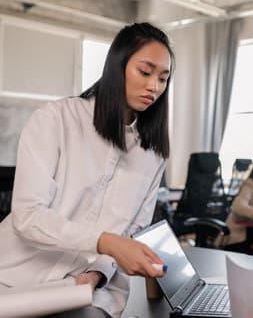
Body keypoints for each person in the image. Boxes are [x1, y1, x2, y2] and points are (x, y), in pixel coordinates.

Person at [0, 23, 174, 318]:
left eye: (163, 78)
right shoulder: (55, 120)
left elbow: (130, 235)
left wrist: (97, 274)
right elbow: (28, 216)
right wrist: (106, 242)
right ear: (117, 67)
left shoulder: (153, 155)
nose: (154, 87)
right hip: (14, 281)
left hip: (88, 293)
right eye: (145, 72)